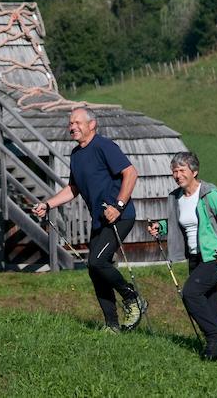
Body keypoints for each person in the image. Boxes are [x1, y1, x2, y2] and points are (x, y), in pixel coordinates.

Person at [33, 107, 147, 332]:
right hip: (99, 221)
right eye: (70, 123)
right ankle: (111, 325)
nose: (72, 127)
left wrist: (118, 206)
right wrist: (47, 204)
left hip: (120, 217)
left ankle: (132, 298)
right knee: (95, 270)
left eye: (77, 122)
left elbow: (131, 173)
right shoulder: (76, 155)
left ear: (91, 124)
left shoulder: (104, 146)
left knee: (97, 261)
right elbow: (73, 188)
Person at [148, 151, 217, 361]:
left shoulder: (209, 194)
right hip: (194, 257)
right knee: (209, 303)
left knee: (190, 293)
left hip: (214, 257)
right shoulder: (177, 198)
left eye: (182, 170)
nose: (177, 174)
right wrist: (160, 227)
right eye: (174, 171)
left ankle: (216, 339)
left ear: (194, 171)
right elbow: (179, 223)